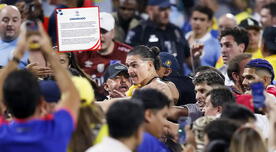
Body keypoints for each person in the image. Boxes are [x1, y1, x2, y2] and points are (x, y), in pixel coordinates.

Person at [0, 22, 80, 151]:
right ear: (42, 103)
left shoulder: (2, 135)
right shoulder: (56, 131)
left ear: (6, 105)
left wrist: (18, 54)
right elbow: (71, 92)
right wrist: (48, 52)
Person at [125, 0, 190, 72]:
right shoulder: (139, 32)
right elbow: (129, 61)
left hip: (178, 80)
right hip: (152, 81)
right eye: (162, 9)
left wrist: (195, 58)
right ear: (150, 10)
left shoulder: (176, 31)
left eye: (168, 8)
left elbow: (188, 58)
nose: (167, 13)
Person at [75, 12, 132, 87]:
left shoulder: (128, 54)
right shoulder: (80, 53)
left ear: (113, 33)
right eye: (96, 31)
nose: (100, 36)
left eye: (104, 31)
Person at [184, 5, 221, 75]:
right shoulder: (180, 39)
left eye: (202, 19)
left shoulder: (216, 45)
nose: (198, 23)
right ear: (190, 20)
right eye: (195, 19)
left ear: (210, 23)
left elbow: (219, 71)